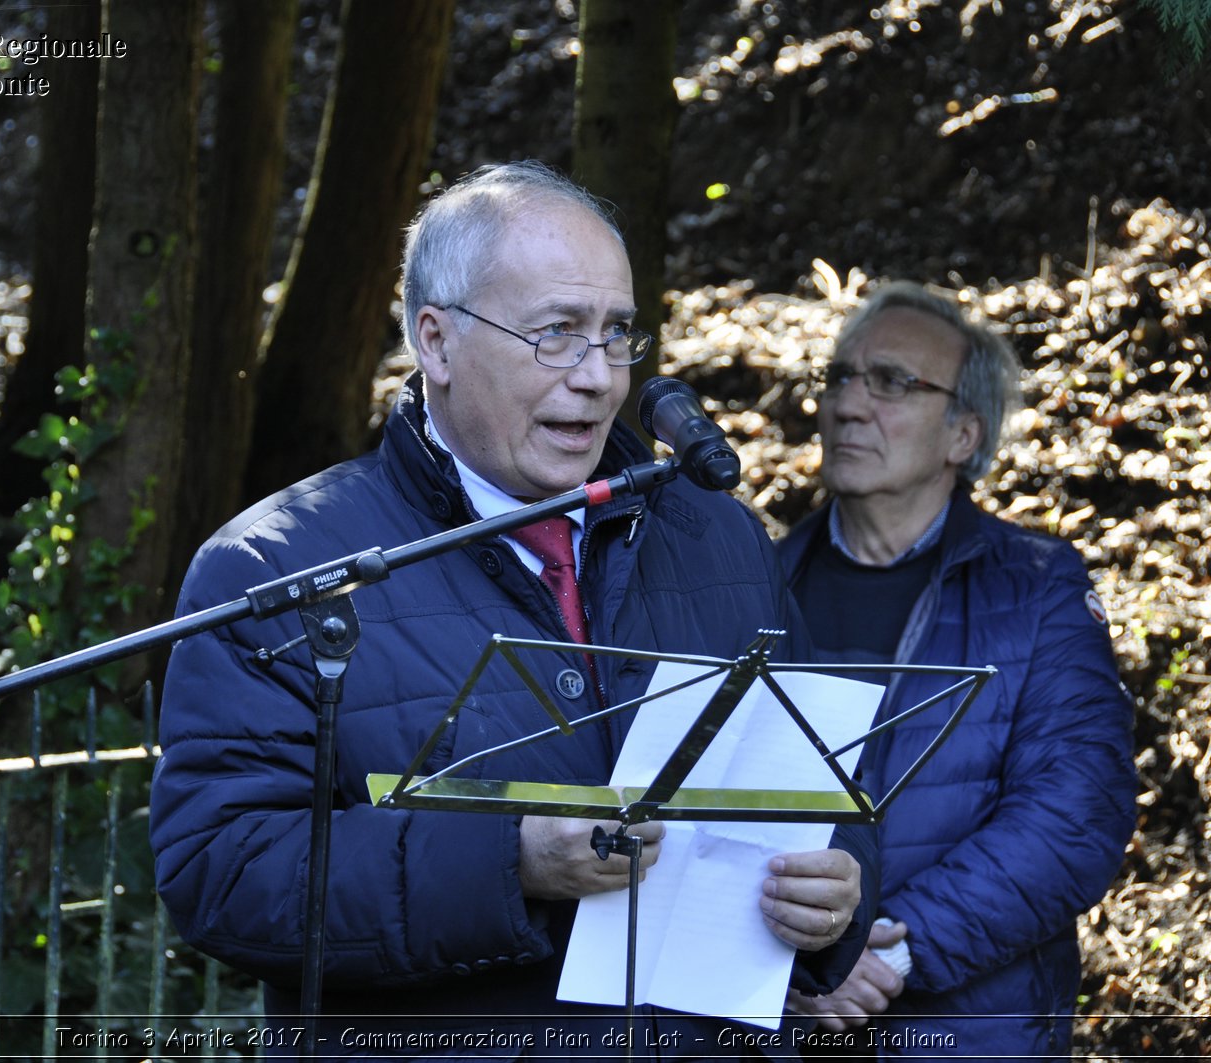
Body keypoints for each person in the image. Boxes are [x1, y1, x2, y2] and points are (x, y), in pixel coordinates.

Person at [150, 161, 874, 1057]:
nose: (599, 377)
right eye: (557, 334)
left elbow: (825, 796)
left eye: (616, 334)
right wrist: (512, 864)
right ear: (437, 342)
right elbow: (222, 873)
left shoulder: (719, 537)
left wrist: (837, 897)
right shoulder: (279, 567)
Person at [777, 282, 1138, 1059]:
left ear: (962, 435)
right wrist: (796, 971)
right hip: (779, 1029)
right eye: (839, 377)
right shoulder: (756, 586)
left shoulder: (1038, 589)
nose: (848, 404)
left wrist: (887, 955)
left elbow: (1076, 813)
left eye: (893, 382)